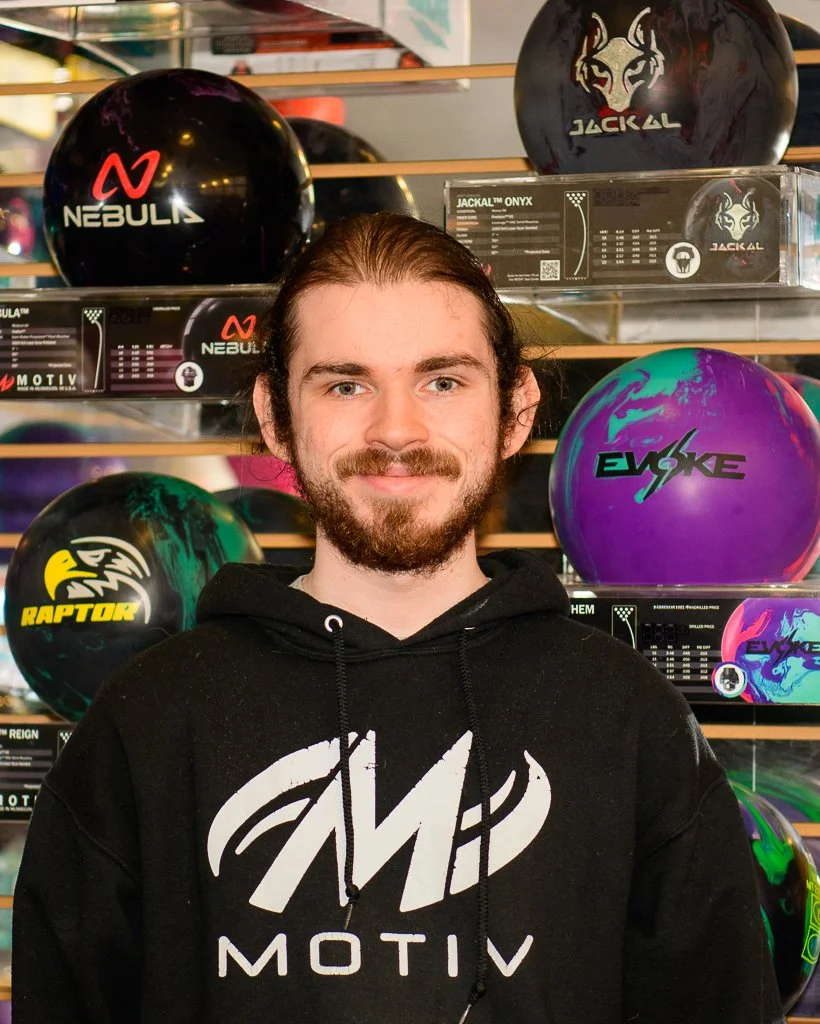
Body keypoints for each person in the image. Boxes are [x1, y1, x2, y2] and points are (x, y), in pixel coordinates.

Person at [12, 212, 783, 1024]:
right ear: (276, 416)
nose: (395, 430)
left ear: (515, 411)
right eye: (346, 384)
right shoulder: (150, 722)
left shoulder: (625, 719)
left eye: (442, 381)